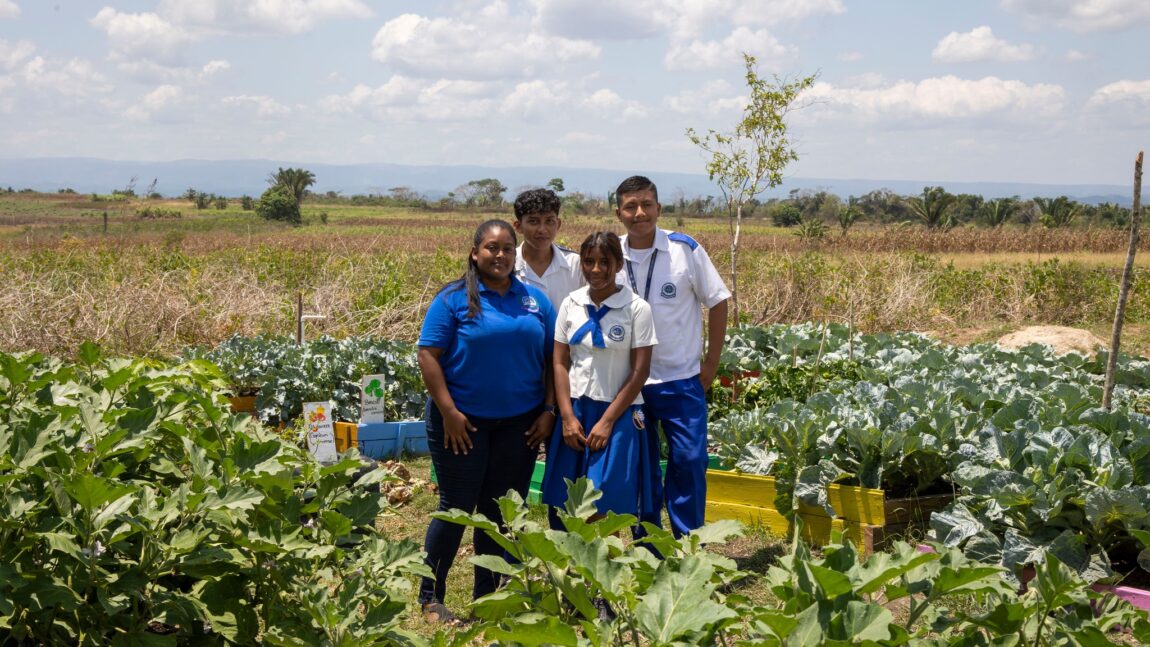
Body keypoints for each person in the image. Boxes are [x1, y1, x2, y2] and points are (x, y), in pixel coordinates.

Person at [416, 219, 557, 623]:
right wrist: (450, 413)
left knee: (500, 513)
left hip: (520, 425)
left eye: (508, 249)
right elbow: (429, 355)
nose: (500, 255)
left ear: (516, 254)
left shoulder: (534, 301)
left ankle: (489, 597)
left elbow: (553, 360)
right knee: (457, 506)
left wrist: (548, 411)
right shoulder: (452, 300)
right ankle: (431, 596)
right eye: (492, 248)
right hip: (461, 424)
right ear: (475, 253)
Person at [614, 175, 730, 538]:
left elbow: (718, 301)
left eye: (646, 204)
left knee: (690, 461)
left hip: (681, 379)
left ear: (659, 209)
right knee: (641, 469)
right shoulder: (611, 255)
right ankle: (647, 544)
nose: (639, 213)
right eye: (631, 206)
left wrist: (710, 363)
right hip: (631, 384)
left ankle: (688, 544)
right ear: (619, 213)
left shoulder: (685, 249)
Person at [541, 231, 658, 519]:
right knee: (564, 500)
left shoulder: (637, 309)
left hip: (616, 413)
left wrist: (607, 422)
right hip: (576, 411)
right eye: (589, 261)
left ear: (618, 264)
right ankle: (567, 563)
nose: (596, 270)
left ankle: (604, 563)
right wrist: (566, 417)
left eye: (605, 262)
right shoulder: (571, 303)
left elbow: (640, 370)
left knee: (602, 504)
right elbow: (560, 361)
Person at [512, 188, 584, 310]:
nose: (542, 229)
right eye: (533, 221)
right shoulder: (509, 265)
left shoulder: (576, 264)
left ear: (558, 224)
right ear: (518, 226)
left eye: (549, 221)